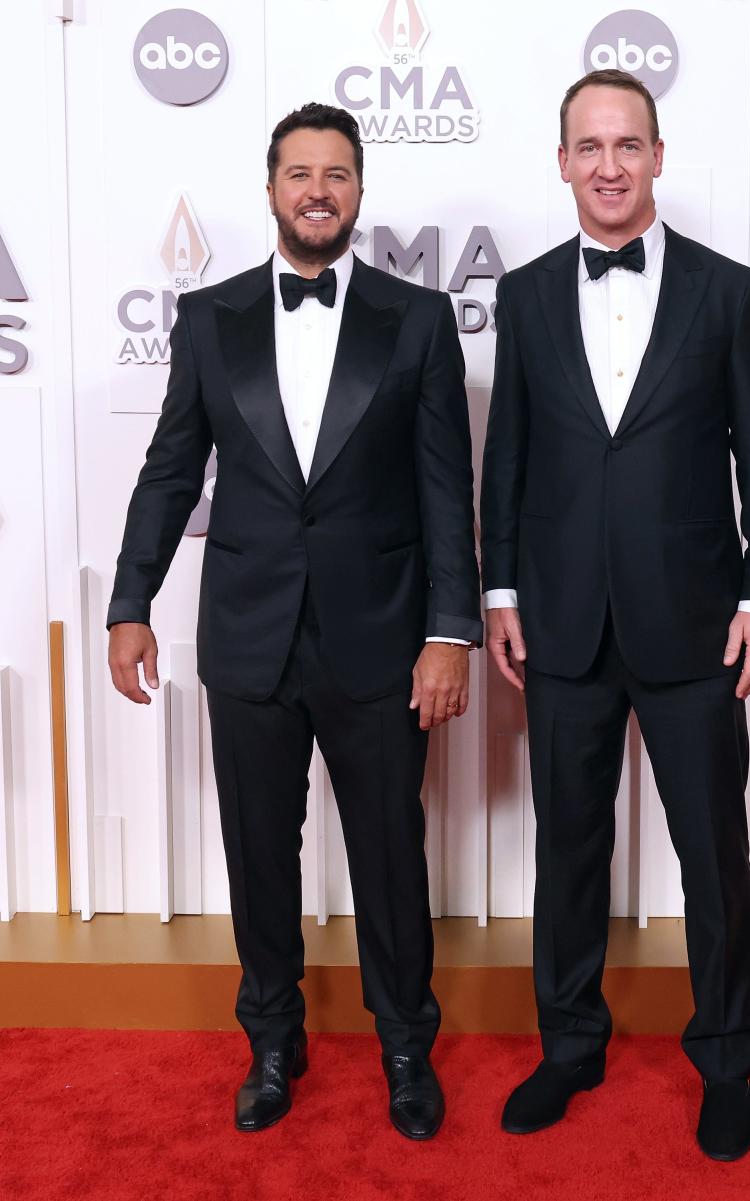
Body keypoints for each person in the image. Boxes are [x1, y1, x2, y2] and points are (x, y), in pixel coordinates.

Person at [107, 102, 481, 1138]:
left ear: (360, 192)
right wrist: (130, 602)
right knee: (259, 850)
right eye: (300, 173)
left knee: (391, 858)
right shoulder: (209, 317)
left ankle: (408, 1044)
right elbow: (171, 470)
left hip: (381, 637)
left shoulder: (416, 320)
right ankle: (272, 1043)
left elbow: (447, 491)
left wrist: (449, 631)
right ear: (271, 188)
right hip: (250, 638)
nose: (319, 190)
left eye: (338, 174)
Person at [480, 69, 750, 1160]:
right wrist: (500, 592)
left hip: (698, 624)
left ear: (659, 156)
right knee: (567, 849)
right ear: (562, 161)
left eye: (628, 144)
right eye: (589, 146)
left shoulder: (727, 290)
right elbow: (508, 457)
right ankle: (569, 1047)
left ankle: (725, 1058)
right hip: (562, 624)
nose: (608, 165)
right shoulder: (522, 297)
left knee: (712, 853)